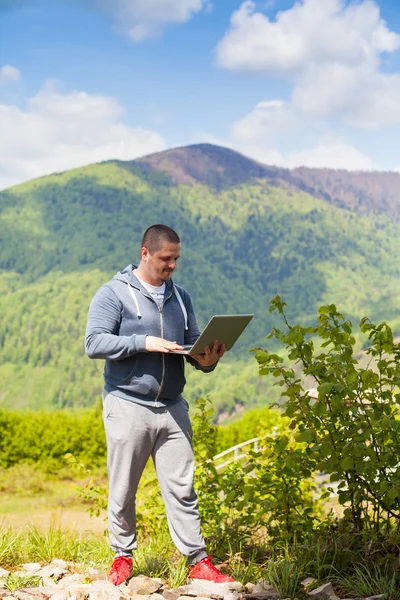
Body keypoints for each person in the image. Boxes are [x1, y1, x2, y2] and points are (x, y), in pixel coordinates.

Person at [85, 224, 233, 586]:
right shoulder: (113, 294)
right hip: (127, 403)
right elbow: (94, 343)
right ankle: (122, 555)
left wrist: (208, 357)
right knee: (123, 487)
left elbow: (193, 345)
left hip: (172, 405)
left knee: (183, 487)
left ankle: (198, 560)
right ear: (145, 253)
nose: (172, 266)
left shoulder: (180, 297)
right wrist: (143, 342)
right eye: (166, 258)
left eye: (176, 259)